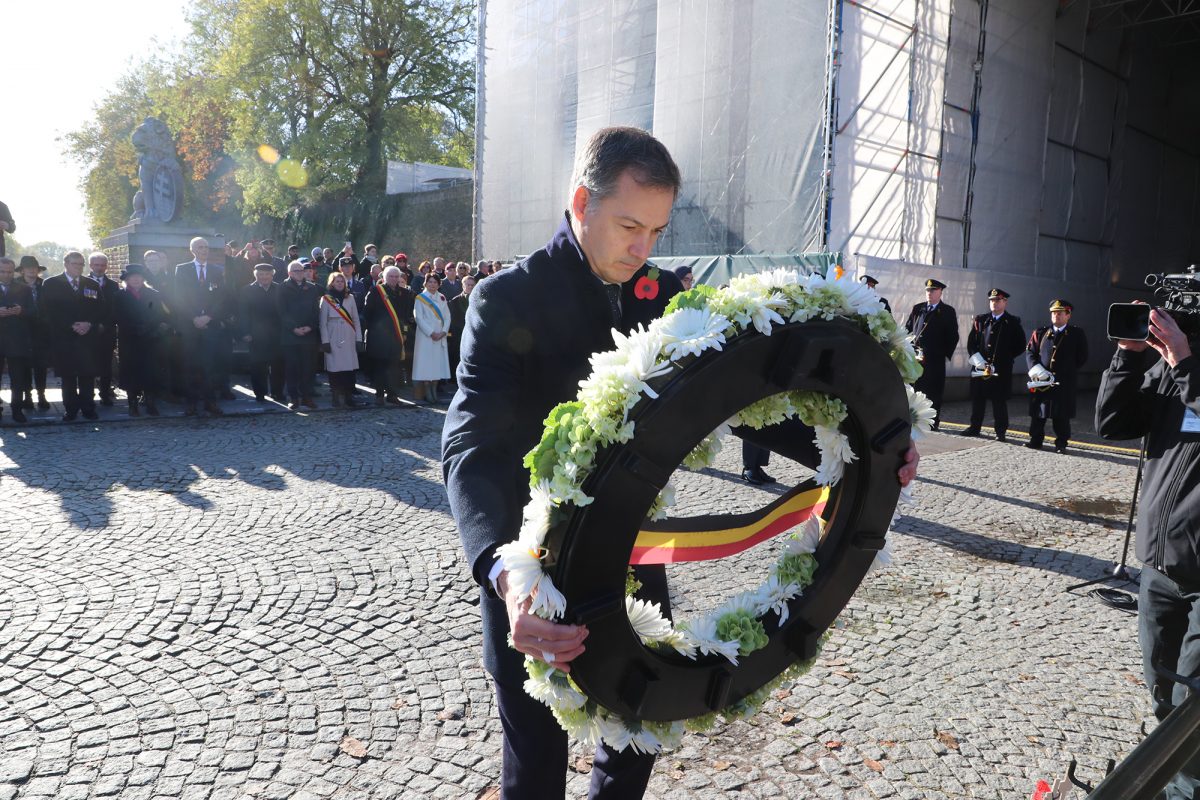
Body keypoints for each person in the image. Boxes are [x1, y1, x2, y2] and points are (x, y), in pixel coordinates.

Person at [443, 126, 923, 799]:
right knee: (535, 759)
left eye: (658, 232)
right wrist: (503, 567)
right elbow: (472, 446)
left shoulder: (663, 296)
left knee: (639, 733)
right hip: (533, 578)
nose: (643, 251)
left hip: (628, 555)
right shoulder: (506, 300)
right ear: (582, 201)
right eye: (629, 226)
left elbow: (744, 394)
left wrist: (866, 445)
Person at [1096, 305, 1200, 799]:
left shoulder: (1185, 366)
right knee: (1163, 691)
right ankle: (1170, 778)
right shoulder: (1171, 366)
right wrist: (1129, 356)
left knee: (1192, 705)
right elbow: (1112, 423)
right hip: (1159, 565)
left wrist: (1185, 364)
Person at [173, 238, 232, 416]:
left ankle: (210, 402)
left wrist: (208, 317)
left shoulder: (217, 270)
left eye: (206, 247)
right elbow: (178, 298)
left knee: (210, 365)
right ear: (192, 250)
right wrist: (194, 318)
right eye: (200, 247)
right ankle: (191, 403)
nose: (204, 250)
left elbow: (222, 298)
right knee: (191, 365)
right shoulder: (181, 269)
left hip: (211, 325)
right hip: (190, 326)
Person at [41, 252, 102, 421]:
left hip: (87, 339)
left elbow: (100, 309)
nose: (79, 267)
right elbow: (47, 311)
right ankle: (71, 410)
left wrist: (89, 323)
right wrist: (71, 325)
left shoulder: (92, 284)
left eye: (82, 264)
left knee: (87, 376)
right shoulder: (51, 284)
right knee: (68, 377)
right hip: (64, 338)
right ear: (66, 264)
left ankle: (88, 408)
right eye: (75, 264)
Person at [1025, 299, 1088, 453]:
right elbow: (1030, 352)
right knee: (1039, 412)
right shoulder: (1041, 332)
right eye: (1053, 313)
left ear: (1068, 315)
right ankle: (1036, 440)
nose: (1056, 316)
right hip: (1041, 380)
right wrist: (1037, 370)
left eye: (1060, 313)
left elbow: (1082, 357)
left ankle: (1061, 443)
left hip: (1063, 381)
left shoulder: (1076, 334)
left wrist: (1066, 372)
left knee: (1061, 414)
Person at [962, 288, 1025, 441]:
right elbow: (972, 343)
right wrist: (978, 361)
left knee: (999, 401)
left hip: (1000, 369)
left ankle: (1001, 431)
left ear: (1005, 302)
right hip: (980, 367)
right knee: (978, 399)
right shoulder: (981, 320)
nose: (994, 303)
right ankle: (974, 427)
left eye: (998, 300)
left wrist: (1005, 359)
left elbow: (1020, 345)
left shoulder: (1012, 322)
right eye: (992, 300)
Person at [113, 264, 170, 416]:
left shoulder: (154, 294)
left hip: (150, 339)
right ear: (127, 279)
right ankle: (132, 404)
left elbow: (160, 314)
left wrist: (151, 328)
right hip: (129, 340)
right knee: (131, 372)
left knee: (150, 371)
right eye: (132, 277)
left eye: (139, 276)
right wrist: (134, 328)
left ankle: (150, 402)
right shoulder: (119, 296)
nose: (136, 279)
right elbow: (117, 317)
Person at [904, 278, 958, 430]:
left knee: (933, 391)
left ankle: (933, 422)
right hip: (915, 359)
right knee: (914, 389)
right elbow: (908, 329)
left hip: (934, 360)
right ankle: (913, 419)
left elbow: (953, 336)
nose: (929, 293)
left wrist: (941, 354)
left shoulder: (947, 311)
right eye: (928, 290)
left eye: (933, 290)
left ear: (940, 292)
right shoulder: (918, 308)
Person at [277, 260, 320, 409]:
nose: (300, 273)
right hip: (290, 335)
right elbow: (281, 312)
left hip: (309, 334)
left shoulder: (313, 288)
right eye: (296, 271)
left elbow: (316, 311)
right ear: (289, 273)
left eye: (301, 270)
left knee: (308, 368)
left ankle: (307, 396)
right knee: (292, 368)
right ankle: (294, 397)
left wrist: (310, 327)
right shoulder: (282, 288)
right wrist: (294, 328)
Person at [239, 263, 285, 402]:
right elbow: (242, 314)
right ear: (256, 275)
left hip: (277, 335)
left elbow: (285, 312)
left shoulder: (280, 289)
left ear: (272, 275)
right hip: (256, 335)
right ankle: (260, 393)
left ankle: (277, 392)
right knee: (257, 366)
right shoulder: (246, 290)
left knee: (278, 366)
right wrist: (245, 332)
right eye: (261, 274)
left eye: (267, 274)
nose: (264, 277)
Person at [319, 272, 363, 408]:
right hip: (333, 334)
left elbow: (356, 319)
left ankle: (349, 397)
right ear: (331, 283)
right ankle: (336, 397)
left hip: (349, 334)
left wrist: (359, 338)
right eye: (337, 281)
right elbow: (322, 322)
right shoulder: (326, 299)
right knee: (334, 369)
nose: (339, 283)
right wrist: (325, 341)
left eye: (342, 281)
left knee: (349, 369)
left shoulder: (350, 298)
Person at [0, 257, 33, 423]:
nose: (6, 275)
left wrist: (21, 311)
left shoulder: (24, 289)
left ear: (14, 271)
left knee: (18, 379)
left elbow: (34, 314)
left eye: (9, 272)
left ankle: (17, 409)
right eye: (2, 271)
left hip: (17, 340)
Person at [412, 273, 451, 405]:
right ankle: (427, 390)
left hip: (440, 336)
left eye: (435, 282)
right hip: (425, 336)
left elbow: (447, 317)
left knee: (437, 364)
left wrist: (444, 331)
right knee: (426, 363)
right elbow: (419, 318)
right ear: (425, 283)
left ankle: (434, 389)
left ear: (439, 284)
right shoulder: (420, 298)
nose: (432, 284)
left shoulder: (442, 297)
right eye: (430, 282)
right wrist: (431, 332)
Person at [17, 255, 50, 411]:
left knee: (40, 366)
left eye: (34, 267)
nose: (31, 270)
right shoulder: (15, 285)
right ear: (22, 270)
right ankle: (27, 396)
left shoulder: (45, 285)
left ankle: (41, 395)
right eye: (28, 267)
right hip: (22, 330)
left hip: (41, 331)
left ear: (38, 269)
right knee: (23, 366)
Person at [87, 252, 119, 407]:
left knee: (106, 366)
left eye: (102, 265)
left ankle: (105, 394)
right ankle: (88, 395)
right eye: (96, 265)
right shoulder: (83, 283)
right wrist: (93, 325)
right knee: (88, 365)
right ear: (90, 266)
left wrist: (104, 325)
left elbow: (114, 309)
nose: (99, 268)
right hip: (88, 332)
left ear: (106, 267)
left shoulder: (113, 285)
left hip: (107, 331)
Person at [448, 273, 475, 378]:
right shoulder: (455, 301)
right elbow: (453, 320)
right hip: (459, 333)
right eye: (468, 285)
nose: (470, 287)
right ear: (463, 286)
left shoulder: (478, 300)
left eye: (472, 285)